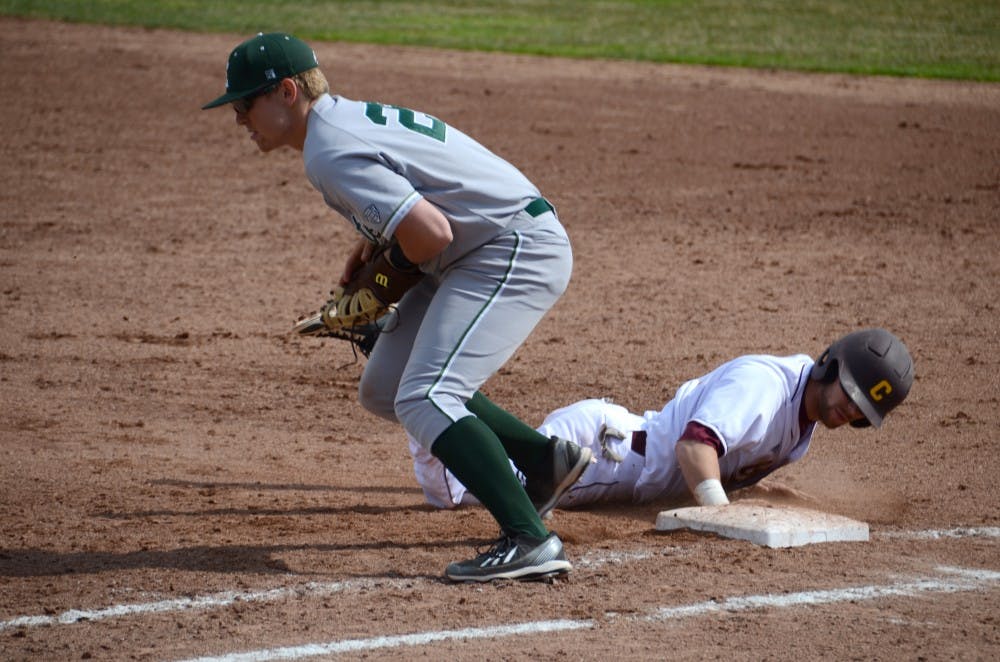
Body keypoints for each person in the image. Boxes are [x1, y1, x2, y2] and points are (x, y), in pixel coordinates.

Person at [202, 33, 591, 582]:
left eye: (245, 104)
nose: (239, 118)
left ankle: (530, 540)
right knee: (386, 387)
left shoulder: (328, 150)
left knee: (426, 395)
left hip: (510, 247)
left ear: (287, 92)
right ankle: (542, 462)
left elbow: (431, 233)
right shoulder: (339, 123)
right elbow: (422, 215)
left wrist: (382, 284)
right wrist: (380, 247)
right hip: (474, 249)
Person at [408, 328, 914, 510]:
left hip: (617, 447)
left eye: (862, 410)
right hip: (606, 459)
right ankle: (421, 374)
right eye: (851, 394)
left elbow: (728, 459)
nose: (850, 410)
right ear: (830, 366)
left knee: (480, 471)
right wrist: (721, 515)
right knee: (451, 489)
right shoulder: (765, 388)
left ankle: (435, 386)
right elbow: (694, 448)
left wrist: (762, 493)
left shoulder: (803, 415)